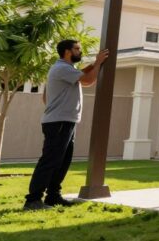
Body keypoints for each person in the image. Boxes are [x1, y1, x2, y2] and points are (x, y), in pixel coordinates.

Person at [23, 40, 109, 211]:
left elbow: (81, 76)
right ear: (67, 51)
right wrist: (99, 63)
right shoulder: (62, 68)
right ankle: (33, 200)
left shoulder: (65, 69)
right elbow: (89, 80)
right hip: (59, 122)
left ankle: (53, 196)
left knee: (62, 161)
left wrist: (93, 64)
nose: (80, 51)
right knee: (50, 161)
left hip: (64, 122)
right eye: (77, 49)